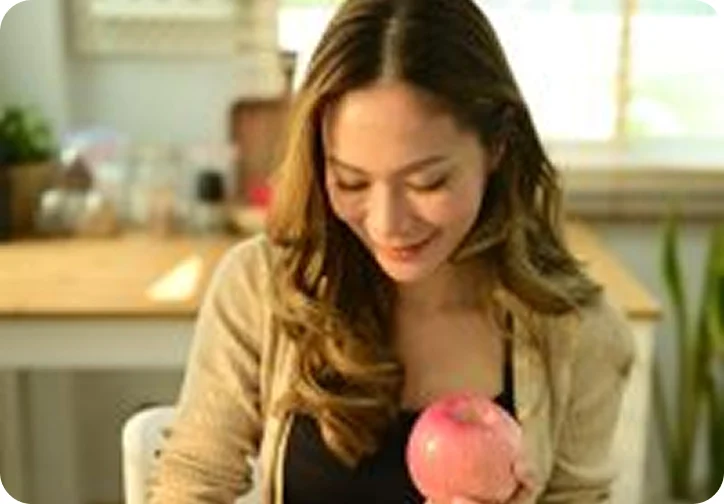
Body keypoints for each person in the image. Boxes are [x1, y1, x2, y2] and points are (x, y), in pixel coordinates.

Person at [148, 0, 635, 502]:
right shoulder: (261, 289)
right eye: (351, 181)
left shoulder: (580, 333)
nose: (387, 224)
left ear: (498, 148)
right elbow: (192, 481)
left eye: (427, 182)